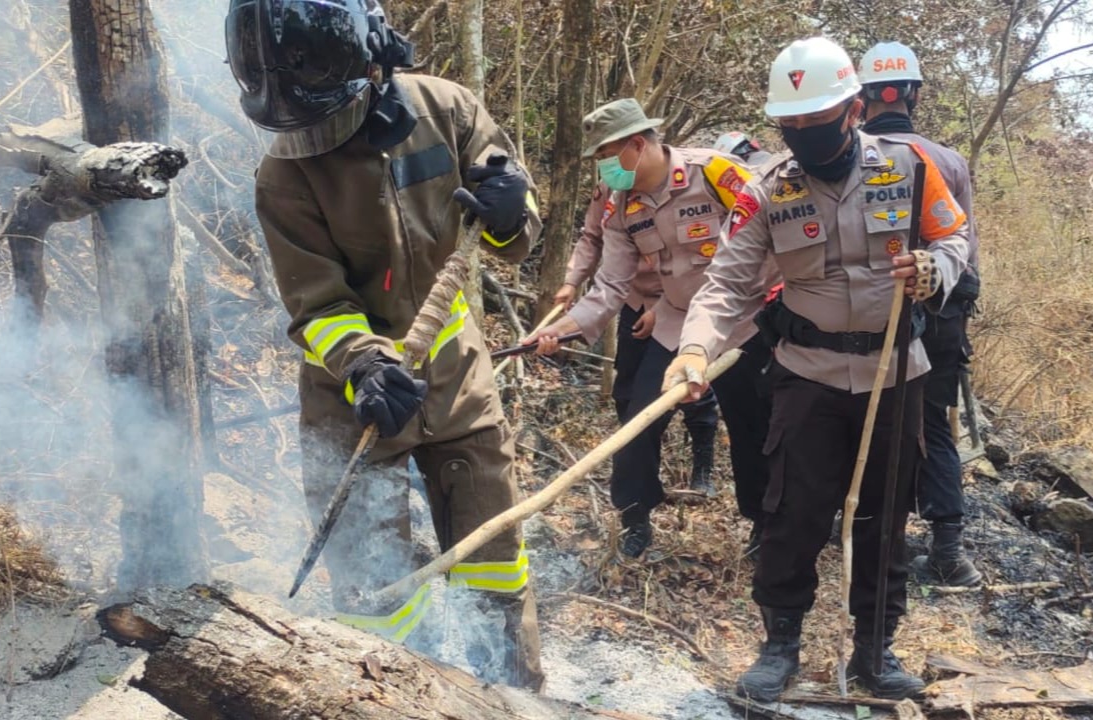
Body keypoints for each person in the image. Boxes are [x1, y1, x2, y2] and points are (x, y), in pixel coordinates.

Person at [225, 0, 543, 691]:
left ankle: (512, 696)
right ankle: (388, 698)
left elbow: (513, 238)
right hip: (354, 400)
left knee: (493, 563)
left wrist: (510, 213)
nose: (317, 144)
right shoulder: (282, 177)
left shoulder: (447, 111)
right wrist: (364, 362)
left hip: (459, 387)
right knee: (374, 593)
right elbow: (317, 302)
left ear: (374, 60)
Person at [664, 37, 971, 701]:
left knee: (886, 519)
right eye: (790, 127)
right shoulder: (767, 190)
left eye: (817, 122)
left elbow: (954, 238)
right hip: (808, 375)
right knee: (791, 512)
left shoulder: (912, 166)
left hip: (896, 373)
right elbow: (726, 283)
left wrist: (932, 269)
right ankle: (779, 647)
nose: (804, 136)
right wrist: (693, 351)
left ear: (854, 108)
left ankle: (875, 651)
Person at [528, 98, 772, 560]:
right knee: (637, 418)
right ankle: (635, 517)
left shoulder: (717, 173)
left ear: (637, 145)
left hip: (744, 321)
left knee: (751, 425)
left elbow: (776, 229)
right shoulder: (620, 206)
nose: (602, 168)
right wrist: (561, 330)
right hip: (678, 320)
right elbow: (609, 287)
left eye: (605, 155)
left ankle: (764, 524)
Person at [859, 41, 982, 587]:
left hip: (868, 311)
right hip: (941, 310)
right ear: (913, 94)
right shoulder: (949, 161)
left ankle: (879, 537)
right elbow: (964, 252)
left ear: (862, 98)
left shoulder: (853, 156)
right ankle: (948, 550)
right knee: (931, 422)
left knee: (868, 419)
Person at [554, 183, 722, 499]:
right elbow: (592, 238)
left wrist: (660, 309)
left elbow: (698, 262)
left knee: (688, 388)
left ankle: (702, 467)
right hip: (633, 301)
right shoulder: (608, 193)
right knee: (628, 395)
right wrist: (571, 281)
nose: (608, 163)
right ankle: (644, 482)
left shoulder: (681, 187)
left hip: (681, 305)